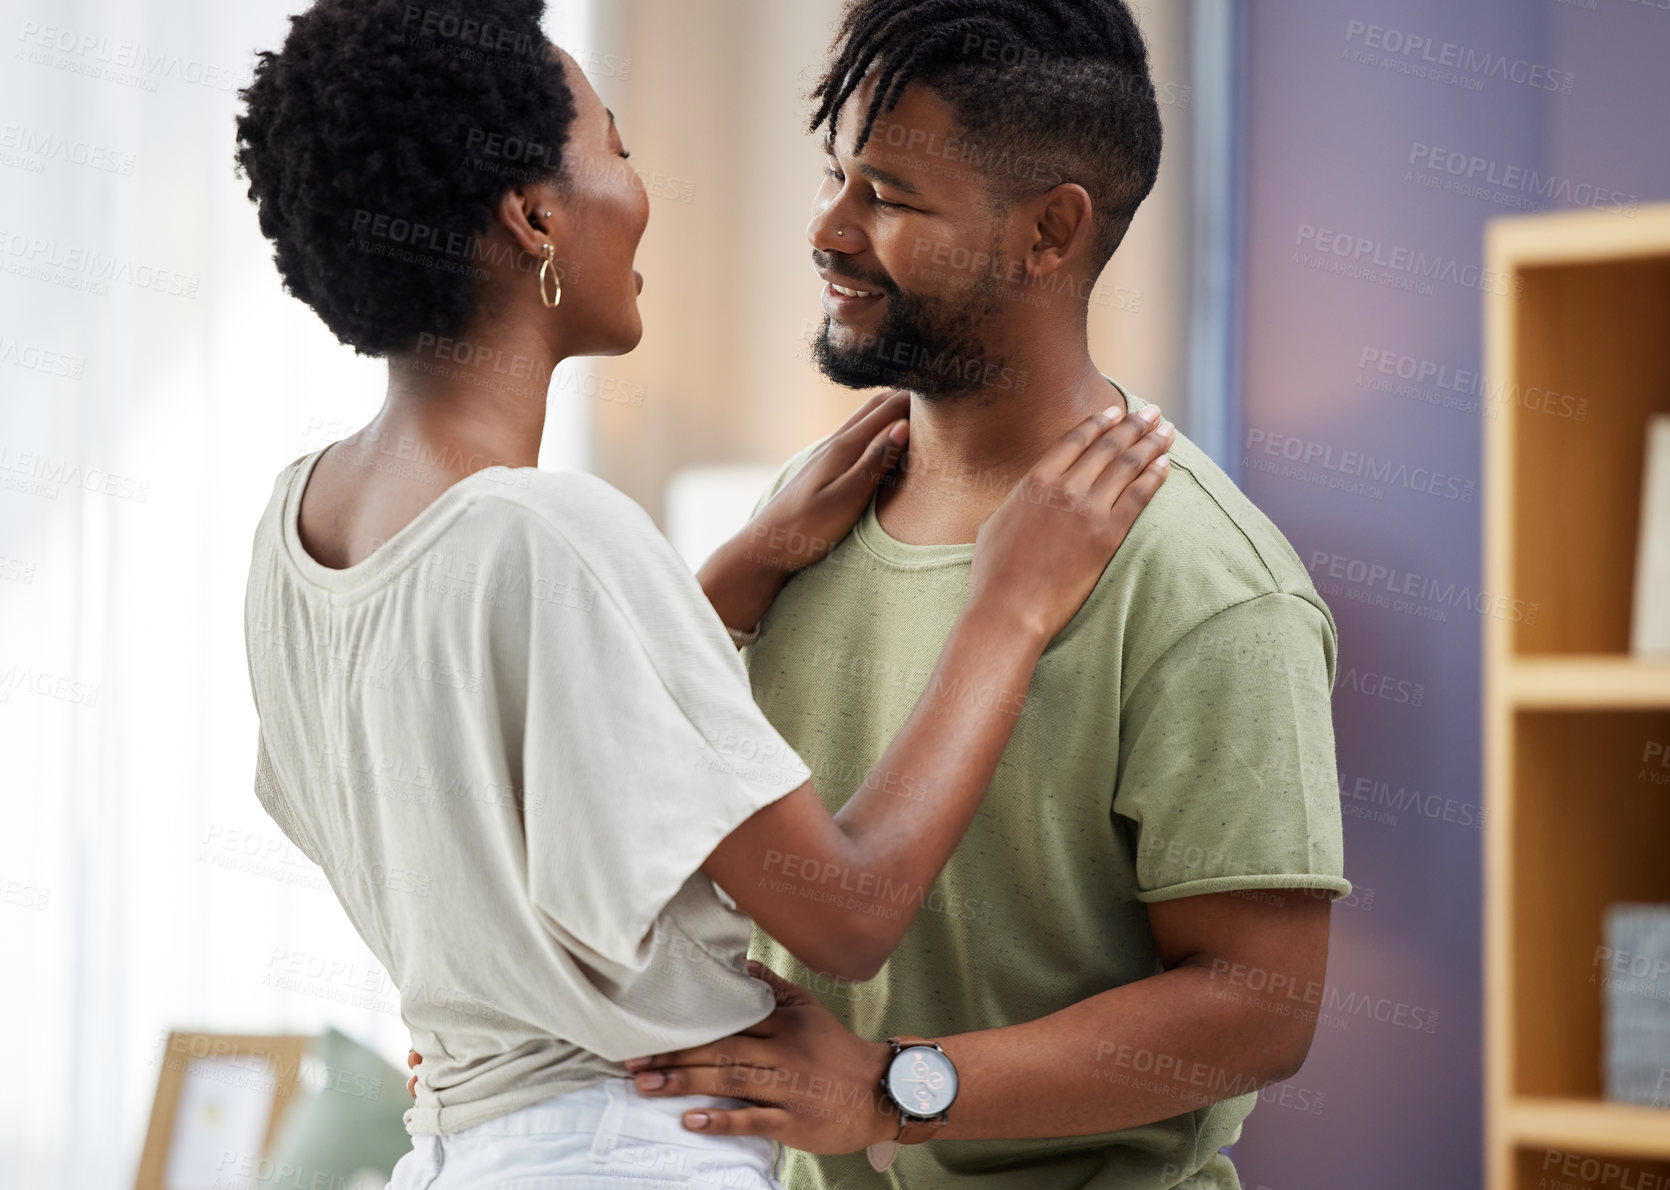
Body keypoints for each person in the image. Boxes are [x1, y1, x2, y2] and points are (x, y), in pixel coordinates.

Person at [234, 1, 1172, 1188]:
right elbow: (846, 905)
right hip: (621, 1152)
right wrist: (1009, 606)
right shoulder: (555, 532)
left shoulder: (299, 521)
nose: (638, 188)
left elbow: (509, 753)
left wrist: (741, 565)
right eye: (616, 149)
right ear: (531, 217)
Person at [619, 3, 1353, 1189]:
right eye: (831, 176)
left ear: (1048, 232)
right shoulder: (799, 523)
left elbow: (1255, 1005)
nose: (825, 229)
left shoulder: (1208, 582)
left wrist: (894, 1086)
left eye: (890, 196)